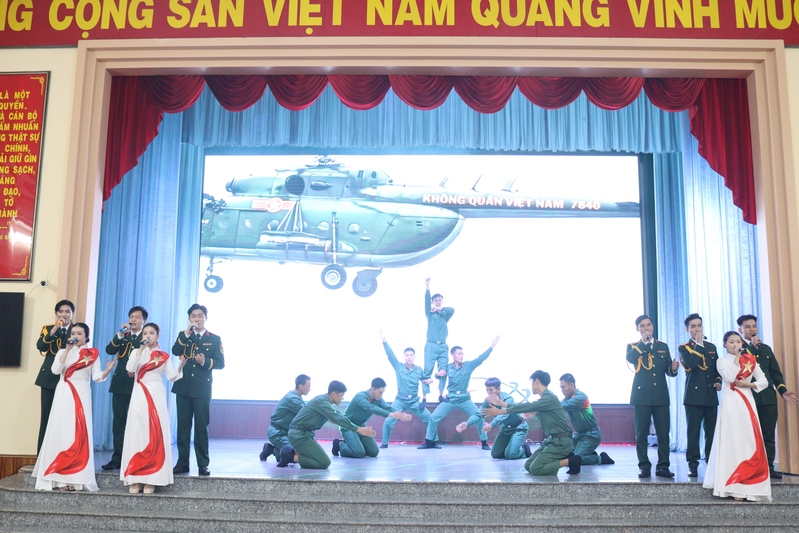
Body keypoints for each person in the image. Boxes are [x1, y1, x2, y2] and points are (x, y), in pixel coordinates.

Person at [31, 323, 116, 491]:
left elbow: (97, 377)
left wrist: (107, 370)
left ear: (86, 337)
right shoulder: (62, 352)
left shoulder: (92, 354)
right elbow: (55, 370)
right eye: (73, 333)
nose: (75, 336)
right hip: (64, 392)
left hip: (82, 393)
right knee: (62, 430)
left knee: (77, 431)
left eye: (79, 333)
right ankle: (58, 478)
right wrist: (67, 350)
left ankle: (75, 478)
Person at [703, 331, 771, 501]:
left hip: (746, 402)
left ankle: (749, 483)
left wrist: (749, 384)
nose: (735, 345)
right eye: (731, 342)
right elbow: (730, 377)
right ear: (725, 344)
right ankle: (731, 486)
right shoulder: (721, 361)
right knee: (731, 439)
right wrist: (737, 360)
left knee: (747, 439)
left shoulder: (750, 360)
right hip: (730, 403)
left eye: (738, 342)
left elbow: (764, 381)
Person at [121, 323, 186, 494]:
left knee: (154, 433)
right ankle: (135, 477)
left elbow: (172, 376)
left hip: (156, 394)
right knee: (137, 432)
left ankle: (152, 479)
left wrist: (180, 367)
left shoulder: (163, 356)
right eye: (145, 333)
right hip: (139, 394)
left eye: (151, 333)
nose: (148, 335)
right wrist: (140, 350)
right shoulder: (136, 352)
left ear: (158, 336)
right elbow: (129, 368)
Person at [483, 370, 582, 475]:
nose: (531, 386)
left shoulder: (549, 398)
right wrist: (502, 404)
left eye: (531, 383)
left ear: (536, 382)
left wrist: (500, 410)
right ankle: (562, 458)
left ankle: (571, 461)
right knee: (528, 465)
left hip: (561, 442)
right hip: (552, 441)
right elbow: (529, 407)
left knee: (536, 468)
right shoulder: (545, 400)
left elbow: (528, 406)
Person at [738, 314, 798, 479]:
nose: (752, 329)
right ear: (740, 330)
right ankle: (750, 468)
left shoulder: (765, 349)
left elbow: (775, 373)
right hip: (748, 398)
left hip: (768, 398)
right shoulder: (738, 349)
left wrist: (783, 390)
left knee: (768, 434)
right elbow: (740, 366)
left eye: (754, 326)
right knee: (749, 435)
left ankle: (769, 467)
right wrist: (752, 348)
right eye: (748, 327)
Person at [418, 336, 500, 450]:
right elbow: (438, 376)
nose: (461, 356)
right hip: (451, 399)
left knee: (479, 417)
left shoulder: (468, 366)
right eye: (459, 354)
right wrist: (437, 374)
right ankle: (428, 442)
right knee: (433, 417)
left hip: (464, 399)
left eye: (462, 354)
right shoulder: (447, 367)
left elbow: (480, 359)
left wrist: (492, 346)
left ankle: (484, 442)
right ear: (453, 355)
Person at [171, 304, 225, 476]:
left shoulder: (214, 339)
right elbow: (175, 351)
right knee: (183, 427)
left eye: (200, 316)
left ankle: (203, 464)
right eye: (193, 316)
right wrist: (186, 335)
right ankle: (182, 463)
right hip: (183, 388)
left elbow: (220, 363)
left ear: (206, 318)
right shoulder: (184, 336)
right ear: (189, 319)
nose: (197, 319)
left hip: (202, 389)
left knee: (201, 428)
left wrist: (205, 362)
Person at [626, 314, 679, 478]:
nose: (646, 328)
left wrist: (673, 369)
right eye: (642, 326)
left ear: (653, 327)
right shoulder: (633, 346)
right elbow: (630, 359)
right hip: (641, 395)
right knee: (641, 433)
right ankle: (644, 466)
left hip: (660, 395)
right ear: (638, 329)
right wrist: (643, 343)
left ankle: (663, 466)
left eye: (648, 325)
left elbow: (668, 370)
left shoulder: (662, 347)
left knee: (663, 433)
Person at [279, 381, 376, 469]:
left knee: (317, 458)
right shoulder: (321, 401)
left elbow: (335, 418)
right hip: (299, 435)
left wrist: (351, 425)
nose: (342, 399)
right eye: (341, 395)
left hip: (303, 435)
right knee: (324, 463)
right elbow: (337, 418)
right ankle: (291, 457)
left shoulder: (324, 402)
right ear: (334, 394)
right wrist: (359, 429)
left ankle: (290, 452)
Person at [102, 305, 147, 471]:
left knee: (137, 422)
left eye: (137, 317)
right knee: (119, 422)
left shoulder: (146, 337)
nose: (133, 320)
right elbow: (109, 350)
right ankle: (117, 458)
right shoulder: (124, 335)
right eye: (131, 317)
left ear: (144, 321)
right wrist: (120, 335)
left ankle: (135, 457)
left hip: (138, 384)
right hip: (120, 383)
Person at [678, 313, 721, 478]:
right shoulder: (684, 348)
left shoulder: (712, 347)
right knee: (693, 432)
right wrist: (698, 344)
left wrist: (718, 382)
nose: (697, 329)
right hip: (693, 397)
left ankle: (711, 462)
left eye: (699, 325)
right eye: (693, 326)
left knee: (711, 432)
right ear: (687, 330)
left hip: (710, 395)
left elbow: (716, 370)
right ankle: (693, 464)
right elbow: (692, 364)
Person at [334, 378, 411, 458]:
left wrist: (401, 415)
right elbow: (370, 408)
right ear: (372, 389)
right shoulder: (360, 396)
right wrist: (391, 414)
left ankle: (356, 445)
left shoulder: (378, 399)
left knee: (374, 452)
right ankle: (340, 444)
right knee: (359, 453)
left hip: (361, 427)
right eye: (380, 392)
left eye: (382, 393)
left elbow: (387, 408)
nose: (381, 395)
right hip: (348, 426)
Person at [35, 299, 75, 454]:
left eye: (68, 312)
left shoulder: (76, 330)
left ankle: (62, 454)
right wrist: (54, 330)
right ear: (56, 313)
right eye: (61, 311)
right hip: (49, 378)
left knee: (65, 418)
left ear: (72, 314)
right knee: (46, 416)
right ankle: (42, 455)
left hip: (69, 378)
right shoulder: (48, 329)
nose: (64, 315)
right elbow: (41, 346)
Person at [379, 330, 431, 448]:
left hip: (414, 401)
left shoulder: (419, 369)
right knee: (388, 421)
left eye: (411, 355)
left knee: (429, 418)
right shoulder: (398, 367)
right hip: (400, 400)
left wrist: (424, 399)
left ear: (414, 357)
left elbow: (425, 382)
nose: (409, 357)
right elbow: (391, 355)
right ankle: (384, 443)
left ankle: (431, 441)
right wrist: (384, 341)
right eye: (407, 355)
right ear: (404, 357)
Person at [457, 377, 530, 460]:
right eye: (487, 390)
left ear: (498, 389)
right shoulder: (488, 401)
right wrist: (467, 424)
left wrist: (491, 425)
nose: (489, 392)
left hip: (519, 428)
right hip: (505, 429)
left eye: (491, 390)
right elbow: (479, 414)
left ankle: (524, 449)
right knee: (495, 454)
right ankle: (511, 447)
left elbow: (503, 414)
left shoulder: (508, 399)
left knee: (511, 455)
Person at [559, 373, 614, 466]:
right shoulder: (567, 399)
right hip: (578, 435)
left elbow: (561, 406)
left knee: (575, 459)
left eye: (563, 387)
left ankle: (601, 459)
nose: (562, 390)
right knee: (565, 455)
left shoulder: (581, 397)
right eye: (561, 387)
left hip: (591, 435)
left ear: (572, 385)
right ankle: (589, 453)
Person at [421, 277, 455, 407]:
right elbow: (426, 303)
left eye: (439, 300)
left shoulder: (445, 314)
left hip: (443, 346)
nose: (438, 302)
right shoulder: (430, 314)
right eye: (436, 300)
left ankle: (441, 395)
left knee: (443, 370)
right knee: (427, 371)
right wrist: (427, 287)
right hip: (431, 345)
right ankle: (424, 397)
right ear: (433, 302)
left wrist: (439, 309)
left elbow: (452, 310)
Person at [261, 374, 311, 461]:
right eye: (308, 386)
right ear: (300, 387)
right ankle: (272, 450)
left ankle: (271, 449)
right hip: (278, 433)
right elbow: (307, 413)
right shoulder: (292, 399)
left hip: (286, 433)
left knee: (302, 452)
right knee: (294, 455)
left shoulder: (297, 397)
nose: (309, 389)